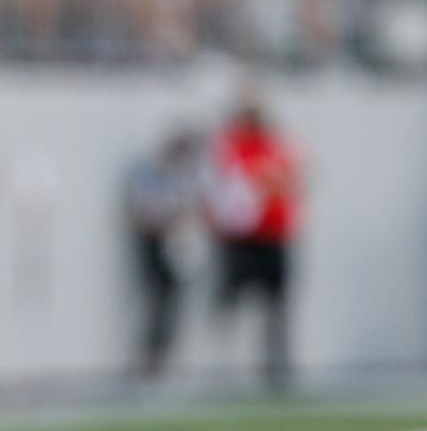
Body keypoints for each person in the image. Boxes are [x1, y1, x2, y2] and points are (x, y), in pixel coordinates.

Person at [205, 93, 301, 389]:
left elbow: (293, 184)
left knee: (276, 307)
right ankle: (222, 365)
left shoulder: (277, 148)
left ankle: (276, 367)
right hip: (242, 240)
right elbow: (218, 190)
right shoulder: (230, 149)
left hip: (274, 238)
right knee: (230, 302)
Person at [127, 129, 204, 378]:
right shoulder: (148, 174)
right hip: (154, 244)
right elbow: (142, 212)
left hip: (175, 247)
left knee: (172, 304)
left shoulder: (183, 177)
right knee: (156, 302)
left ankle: (164, 355)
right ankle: (150, 358)